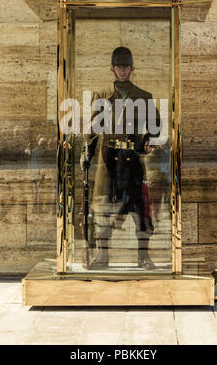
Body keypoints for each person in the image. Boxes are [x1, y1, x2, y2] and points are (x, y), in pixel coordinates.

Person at [80, 47, 162, 270]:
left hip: (133, 160)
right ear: (112, 68)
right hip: (108, 160)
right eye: (119, 67)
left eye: (126, 67)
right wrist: (86, 152)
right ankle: (103, 257)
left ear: (132, 68)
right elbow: (93, 128)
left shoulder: (144, 97)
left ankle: (143, 256)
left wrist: (148, 138)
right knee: (103, 208)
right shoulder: (102, 95)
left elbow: (156, 126)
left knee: (139, 210)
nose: (123, 71)